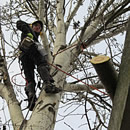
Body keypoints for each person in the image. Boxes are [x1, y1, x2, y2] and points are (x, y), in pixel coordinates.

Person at [16, 20, 61, 110]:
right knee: (41, 64)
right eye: (36, 26)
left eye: (39, 27)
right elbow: (19, 23)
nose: (37, 28)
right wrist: (28, 31)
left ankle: (31, 97)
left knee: (29, 77)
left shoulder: (36, 38)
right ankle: (48, 85)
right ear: (32, 26)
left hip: (24, 56)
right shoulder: (28, 29)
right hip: (30, 49)